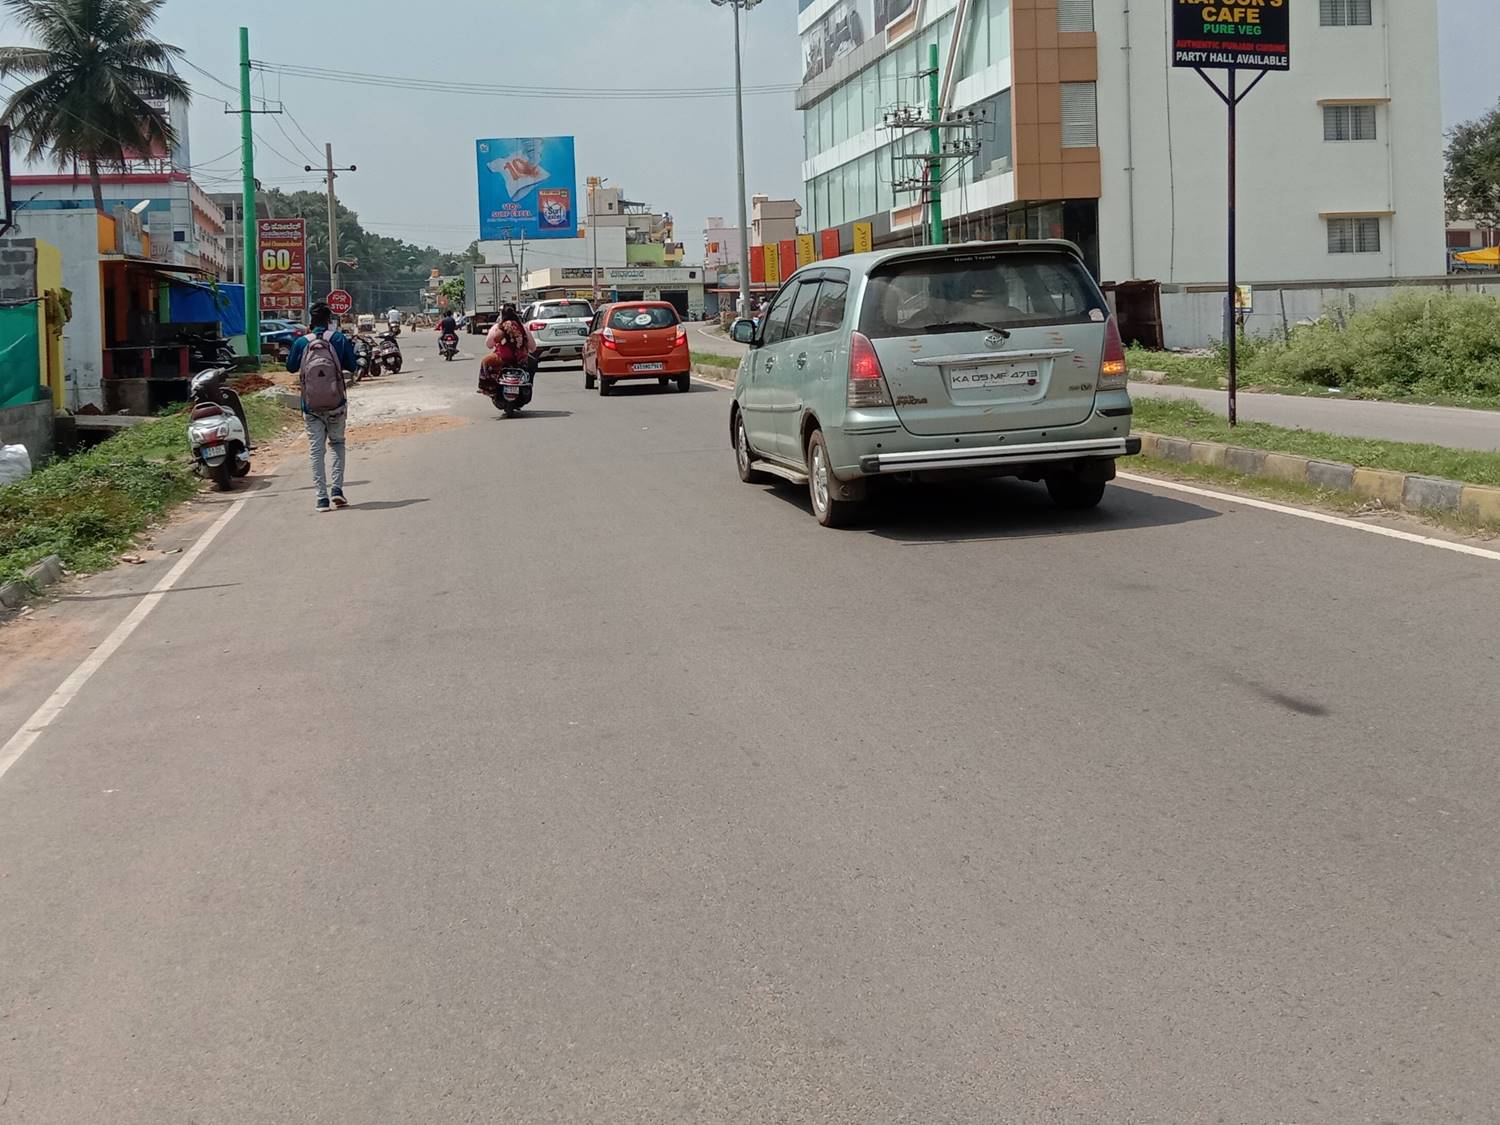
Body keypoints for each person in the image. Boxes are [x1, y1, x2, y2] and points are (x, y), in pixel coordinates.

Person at [287, 302, 359, 512]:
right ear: (330, 320)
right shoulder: (337, 339)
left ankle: (321, 499)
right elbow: (352, 366)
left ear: (311, 319)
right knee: (337, 444)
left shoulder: (302, 342)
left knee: (316, 451)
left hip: (310, 406)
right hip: (336, 402)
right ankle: (337, 490)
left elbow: (290, 367)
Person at [485, 304, 538, 377]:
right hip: (521, 359)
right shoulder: (522, 327)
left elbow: (489, 344)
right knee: (533, 363)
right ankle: (528, 385)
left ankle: (486, 387)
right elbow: (533, 347)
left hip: (503, 359)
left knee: (485, 362)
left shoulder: (498, 327)